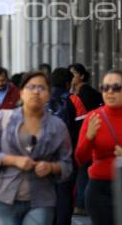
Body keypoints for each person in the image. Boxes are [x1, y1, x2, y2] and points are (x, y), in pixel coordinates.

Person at [0, 70, 72, 225]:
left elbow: (67, 166)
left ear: (49, 94)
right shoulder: (3, 118)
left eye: (41, 88)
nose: (36, 92)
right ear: (21, 93)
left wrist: (51, 167)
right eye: (31, 87)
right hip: (5, 198)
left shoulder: (57, 126)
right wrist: (12, 160)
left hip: (42, 200)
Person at [75, 69, 122, 225]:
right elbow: (79, 158)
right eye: (105, 88)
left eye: (116, 87)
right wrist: (89, 137)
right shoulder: (93, 117)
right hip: (100, 190)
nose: (110, 92)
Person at [49, 67, 87, 225]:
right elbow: (82, 131)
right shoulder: (75, 100)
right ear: (67, 83)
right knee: (64, 196)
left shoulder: (41, 99)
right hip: (66, 157)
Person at [69, 63, 103, 215]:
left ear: (82, 76)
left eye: (74, 74)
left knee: (84, 170)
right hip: (85, 135)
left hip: (91, 135)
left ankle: (81, 204)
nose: (71, 77)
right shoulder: (76, 92)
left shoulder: (86, 93)